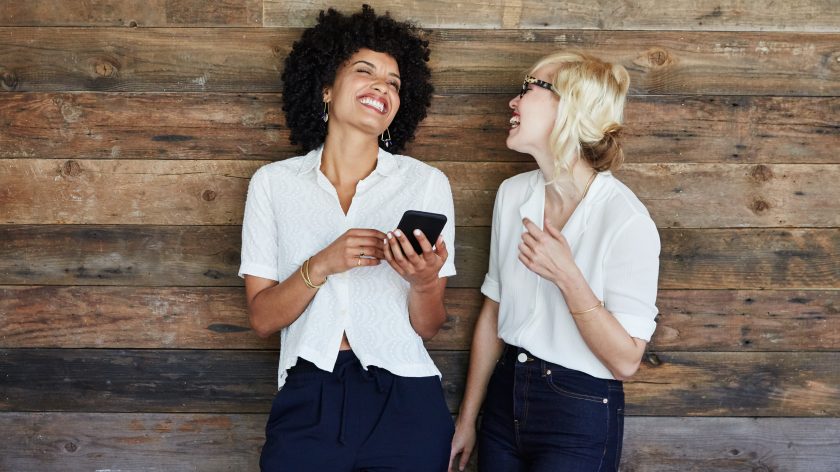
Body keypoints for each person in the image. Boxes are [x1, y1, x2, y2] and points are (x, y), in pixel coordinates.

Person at [239, 6, 455, 471]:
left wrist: (423, 282)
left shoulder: (426, 183)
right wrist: (321, 265)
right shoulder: (273, 184)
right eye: (365, 71)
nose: (382, 86)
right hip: (308, 395)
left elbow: (429, 327)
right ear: (325, 88)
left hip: (407, 399)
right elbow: (262, 318)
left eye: (394, 82)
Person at [449, 52, 661, 472]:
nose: (513, 101)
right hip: (503, 399)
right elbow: (493, 312)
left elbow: (625, 360)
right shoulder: (513, 195)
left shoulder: (626, 220)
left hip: (579, 412)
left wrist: (568, 277)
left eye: (529, 88)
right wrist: (468, 418)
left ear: (572, 107)